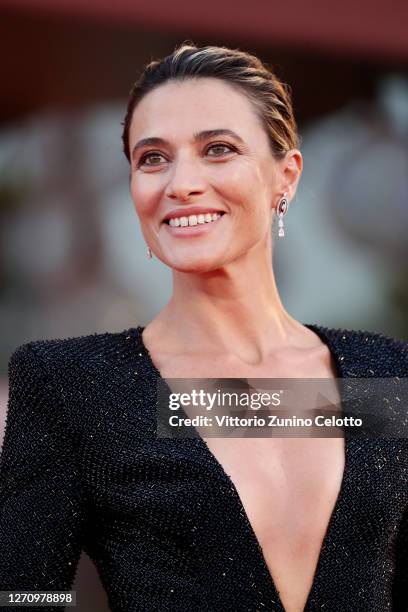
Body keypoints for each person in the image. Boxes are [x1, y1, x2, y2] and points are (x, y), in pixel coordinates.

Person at [0, 42, 407, 612]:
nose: (181, 183)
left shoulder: (385, 375)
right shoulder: (72, 385)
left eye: (218, 149)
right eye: (152, 158)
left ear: (284, 177)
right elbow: (24, 596)